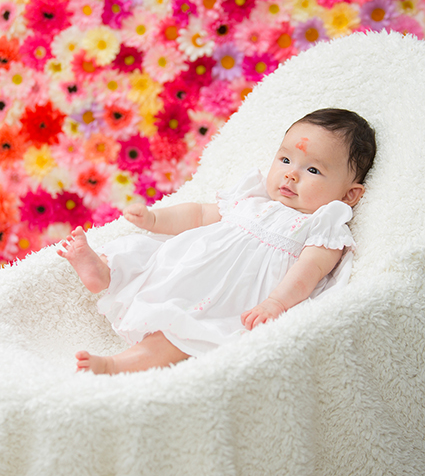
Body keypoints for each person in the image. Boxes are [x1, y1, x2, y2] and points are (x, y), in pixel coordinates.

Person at [58, 108, 376, 375]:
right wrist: (155, 219)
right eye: (285, 159)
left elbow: (309, 271)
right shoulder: (252, 199)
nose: (291, 175)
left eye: (313, 169)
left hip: (227, 300)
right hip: (188, 268)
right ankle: (104, 272)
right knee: (143, 253)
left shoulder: (321, 227)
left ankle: (115, 365)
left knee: (180, 332)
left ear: (349, 194)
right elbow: (199, 214)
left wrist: (275, 304)